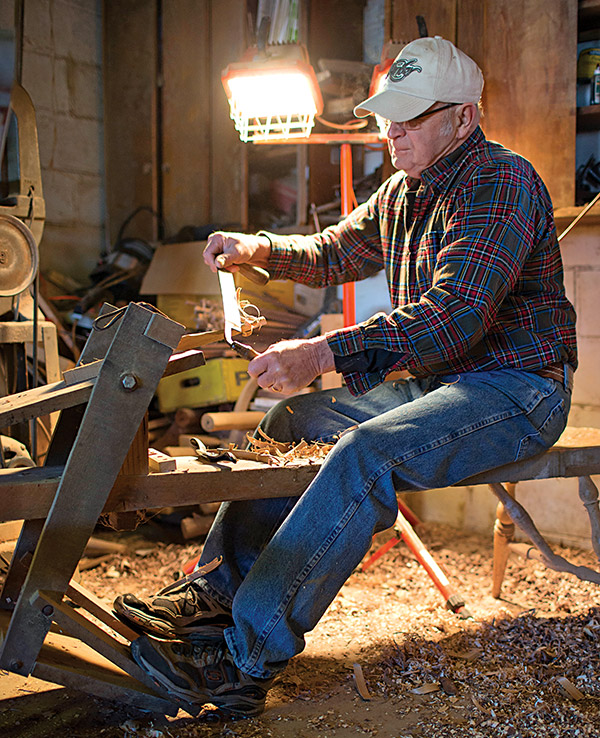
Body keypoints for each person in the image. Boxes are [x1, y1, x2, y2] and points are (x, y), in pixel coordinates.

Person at [115, 36, 577, 717]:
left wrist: (321, 353)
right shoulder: (403, 190)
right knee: (290, 422)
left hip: (518, 386)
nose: (393, 130)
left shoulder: (500, 183)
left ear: (463, 119)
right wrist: (259, 248)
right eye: (390, 113)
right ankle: (219, 591)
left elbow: (454, 317)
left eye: (413, 116)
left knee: (366, 454)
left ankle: (246, 656)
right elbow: (336, 249)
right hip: (443, 383)